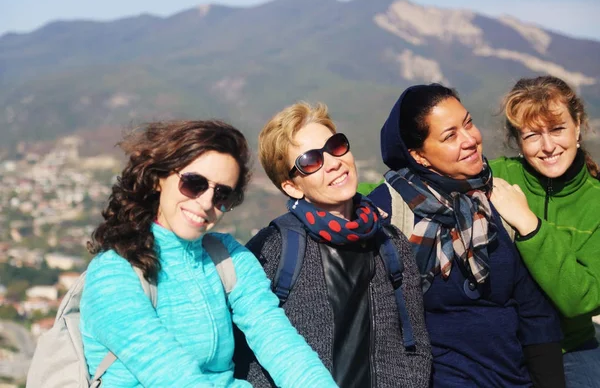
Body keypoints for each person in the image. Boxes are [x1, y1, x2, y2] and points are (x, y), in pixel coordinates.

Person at [80, 120, 338, 387]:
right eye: (194, 184)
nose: (205, 203)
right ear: (159, 178)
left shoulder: (227, 257)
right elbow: (172, 375)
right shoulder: (114, 273)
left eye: (221, 194)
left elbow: (277, 340)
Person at [367, 83, 565, 387]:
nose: (470, 139)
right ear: (419, 155)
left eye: (468, 123)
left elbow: (534, 313)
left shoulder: (496, 198)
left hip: (514, 378)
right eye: (450, 136)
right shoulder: (391, 212)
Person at [234, 102, 432, 388]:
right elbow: (250, 355)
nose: (334, 162)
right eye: (311, 161)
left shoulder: (390, 241)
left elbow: (415, 344)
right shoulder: (274, 249)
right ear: (292, 186)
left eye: (336, 146)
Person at [489, 75, 600, 387]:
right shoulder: (497, 175)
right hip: (504, 348)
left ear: (578, 126)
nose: (548, 146)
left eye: (557, 129)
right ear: (517, 140)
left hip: (572, 348)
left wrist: (529, 224)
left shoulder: (596, 201)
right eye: (533, 135)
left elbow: (583, 299)